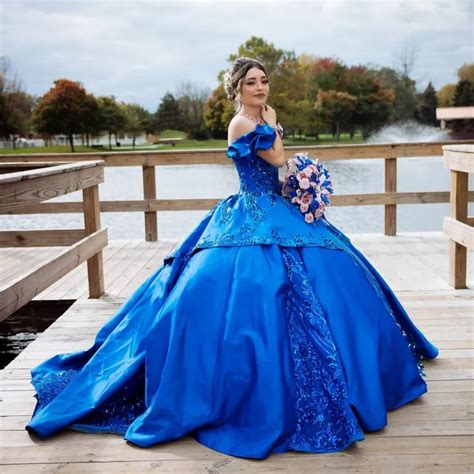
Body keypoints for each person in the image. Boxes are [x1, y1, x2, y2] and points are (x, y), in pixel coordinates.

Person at [25, 57, 439, 460]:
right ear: (237, 89)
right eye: (251, 83)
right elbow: (276, 159)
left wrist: (300, 181)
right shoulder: (243, 122)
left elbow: (278, 166)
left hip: (276, 205)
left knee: (337, 269)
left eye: (263, 81)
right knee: (241, 288)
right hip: (250, 210)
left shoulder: (262, 117)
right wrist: (276, 129)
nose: (260, 88)